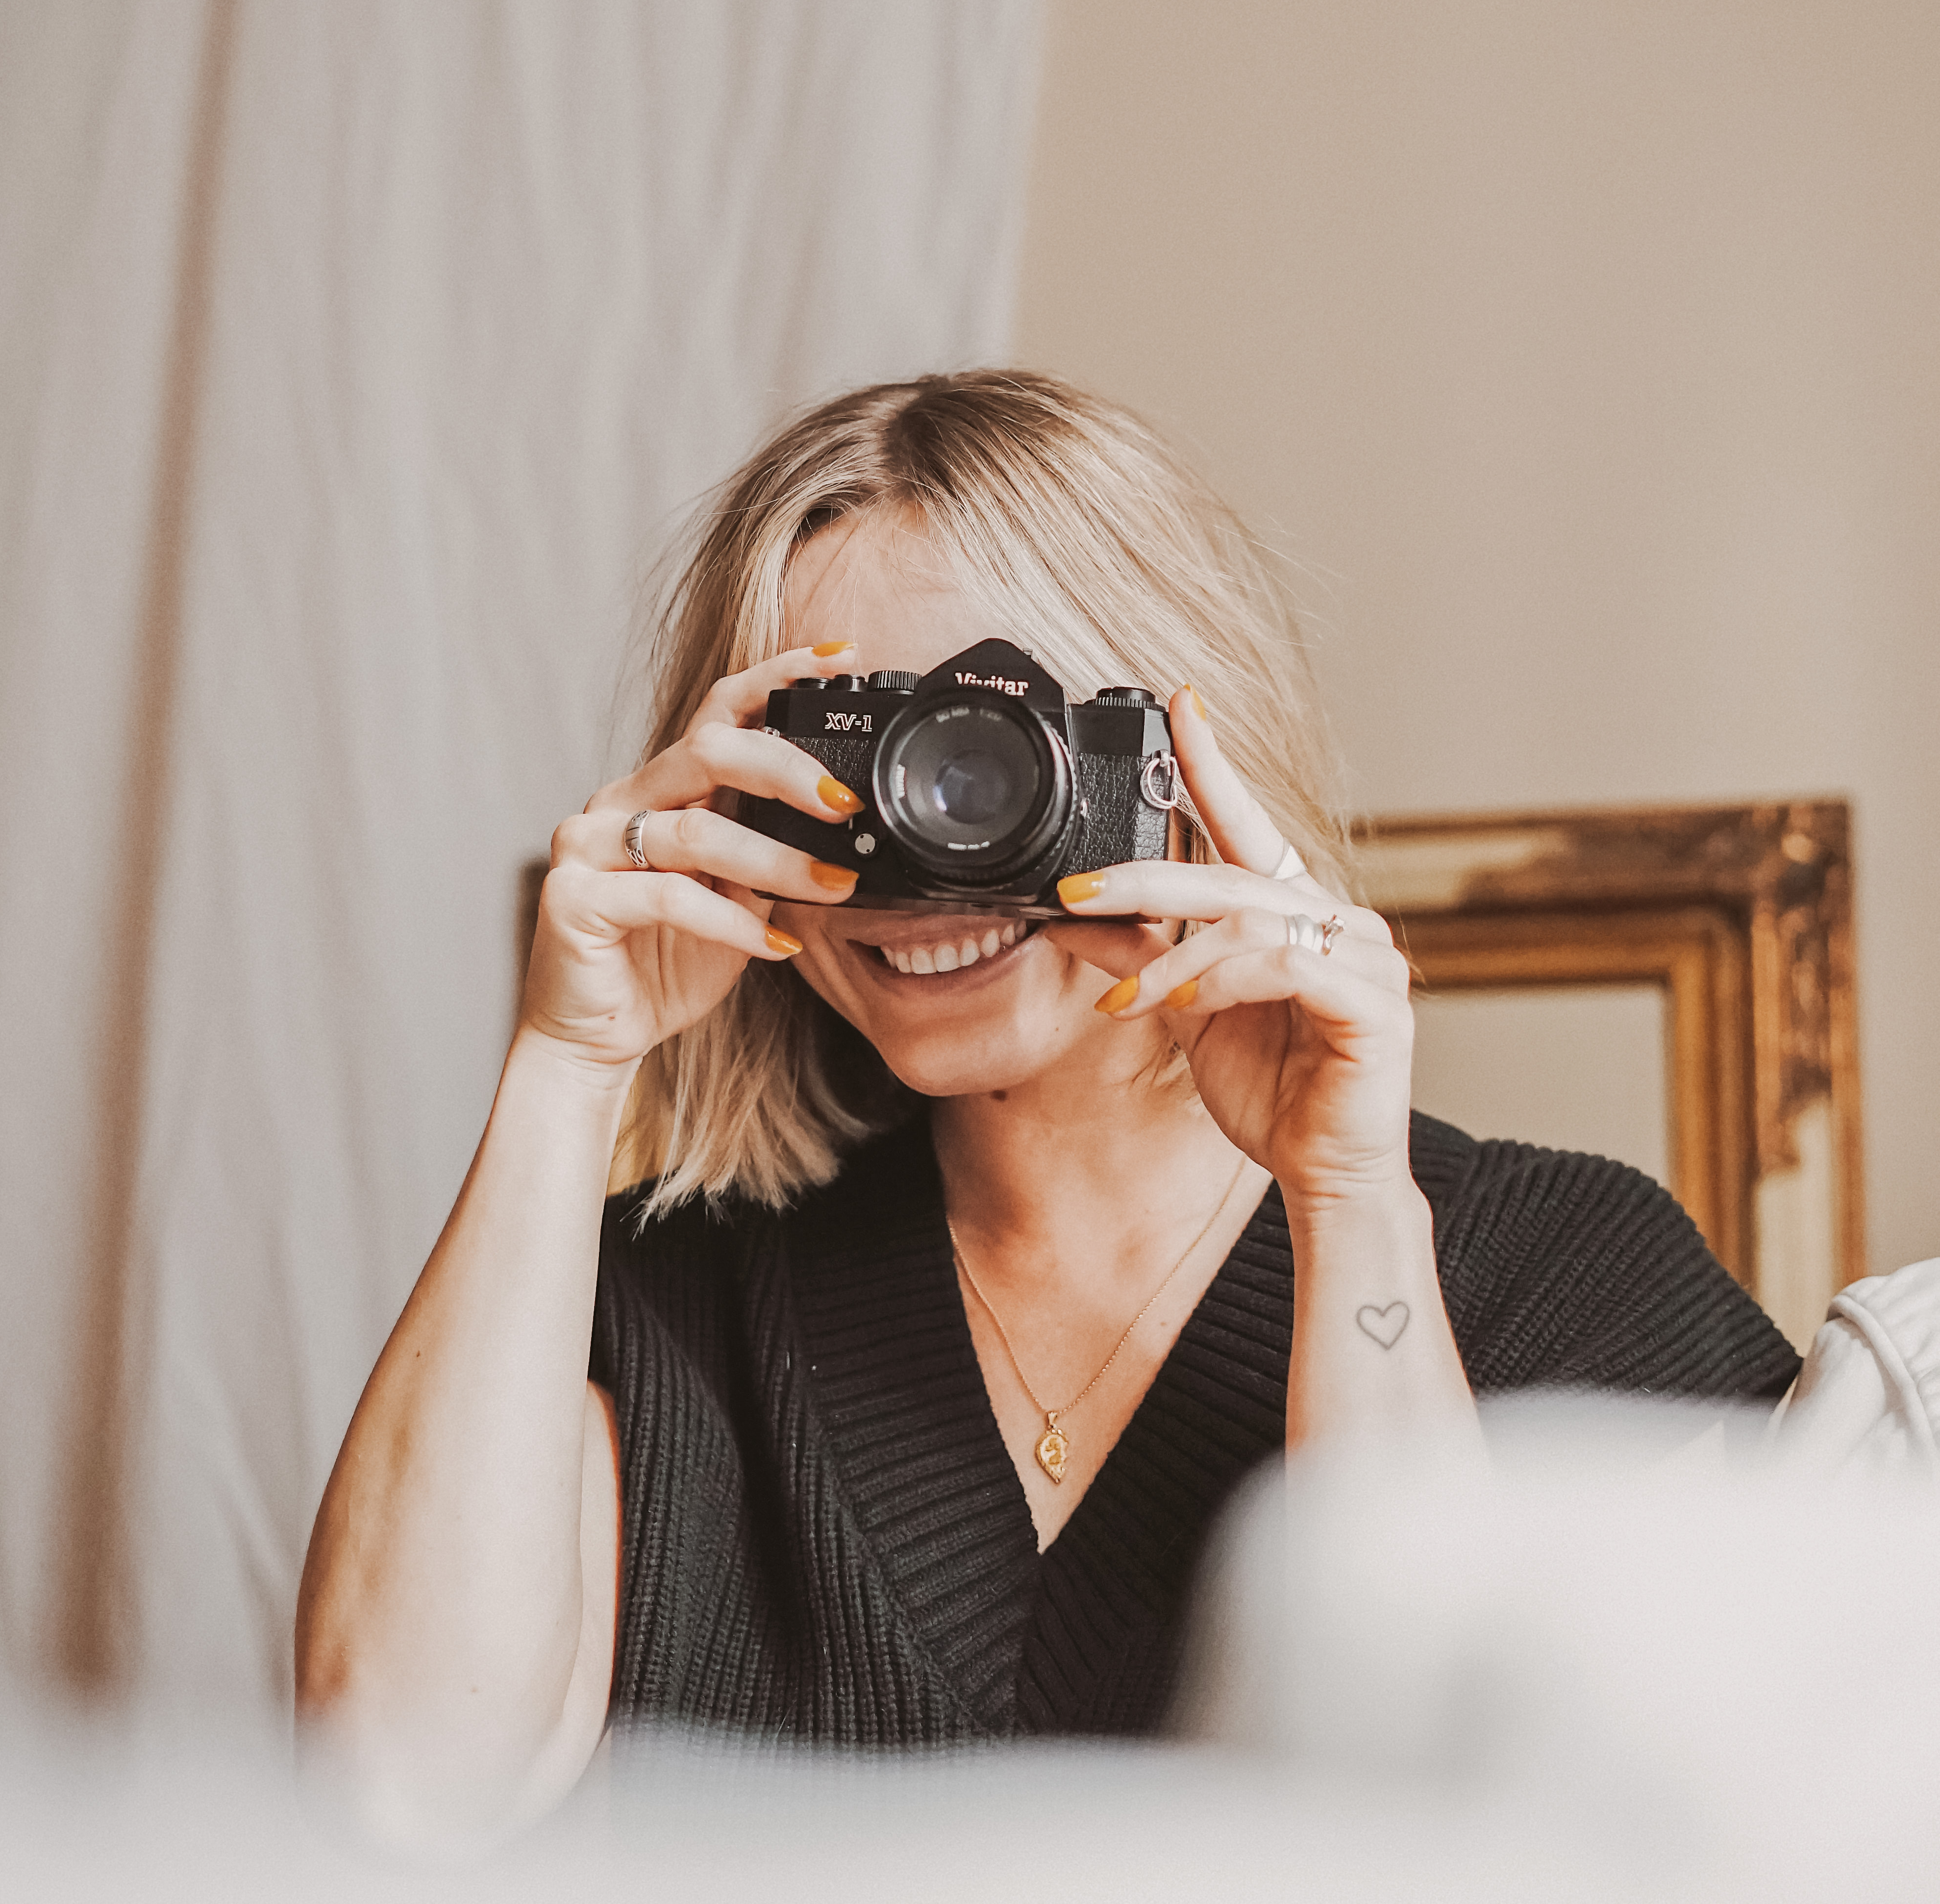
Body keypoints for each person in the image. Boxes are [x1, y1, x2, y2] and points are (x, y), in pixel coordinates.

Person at [293, 371, 1799, 1843]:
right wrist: (568, 1066)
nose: (926, 844)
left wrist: (1352, 1208)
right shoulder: (667, 1305)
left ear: (1176, 762)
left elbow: (1464, 1837)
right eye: (847, 759)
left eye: (990, 751)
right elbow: (398, 1784)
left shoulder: (1576, 1277)